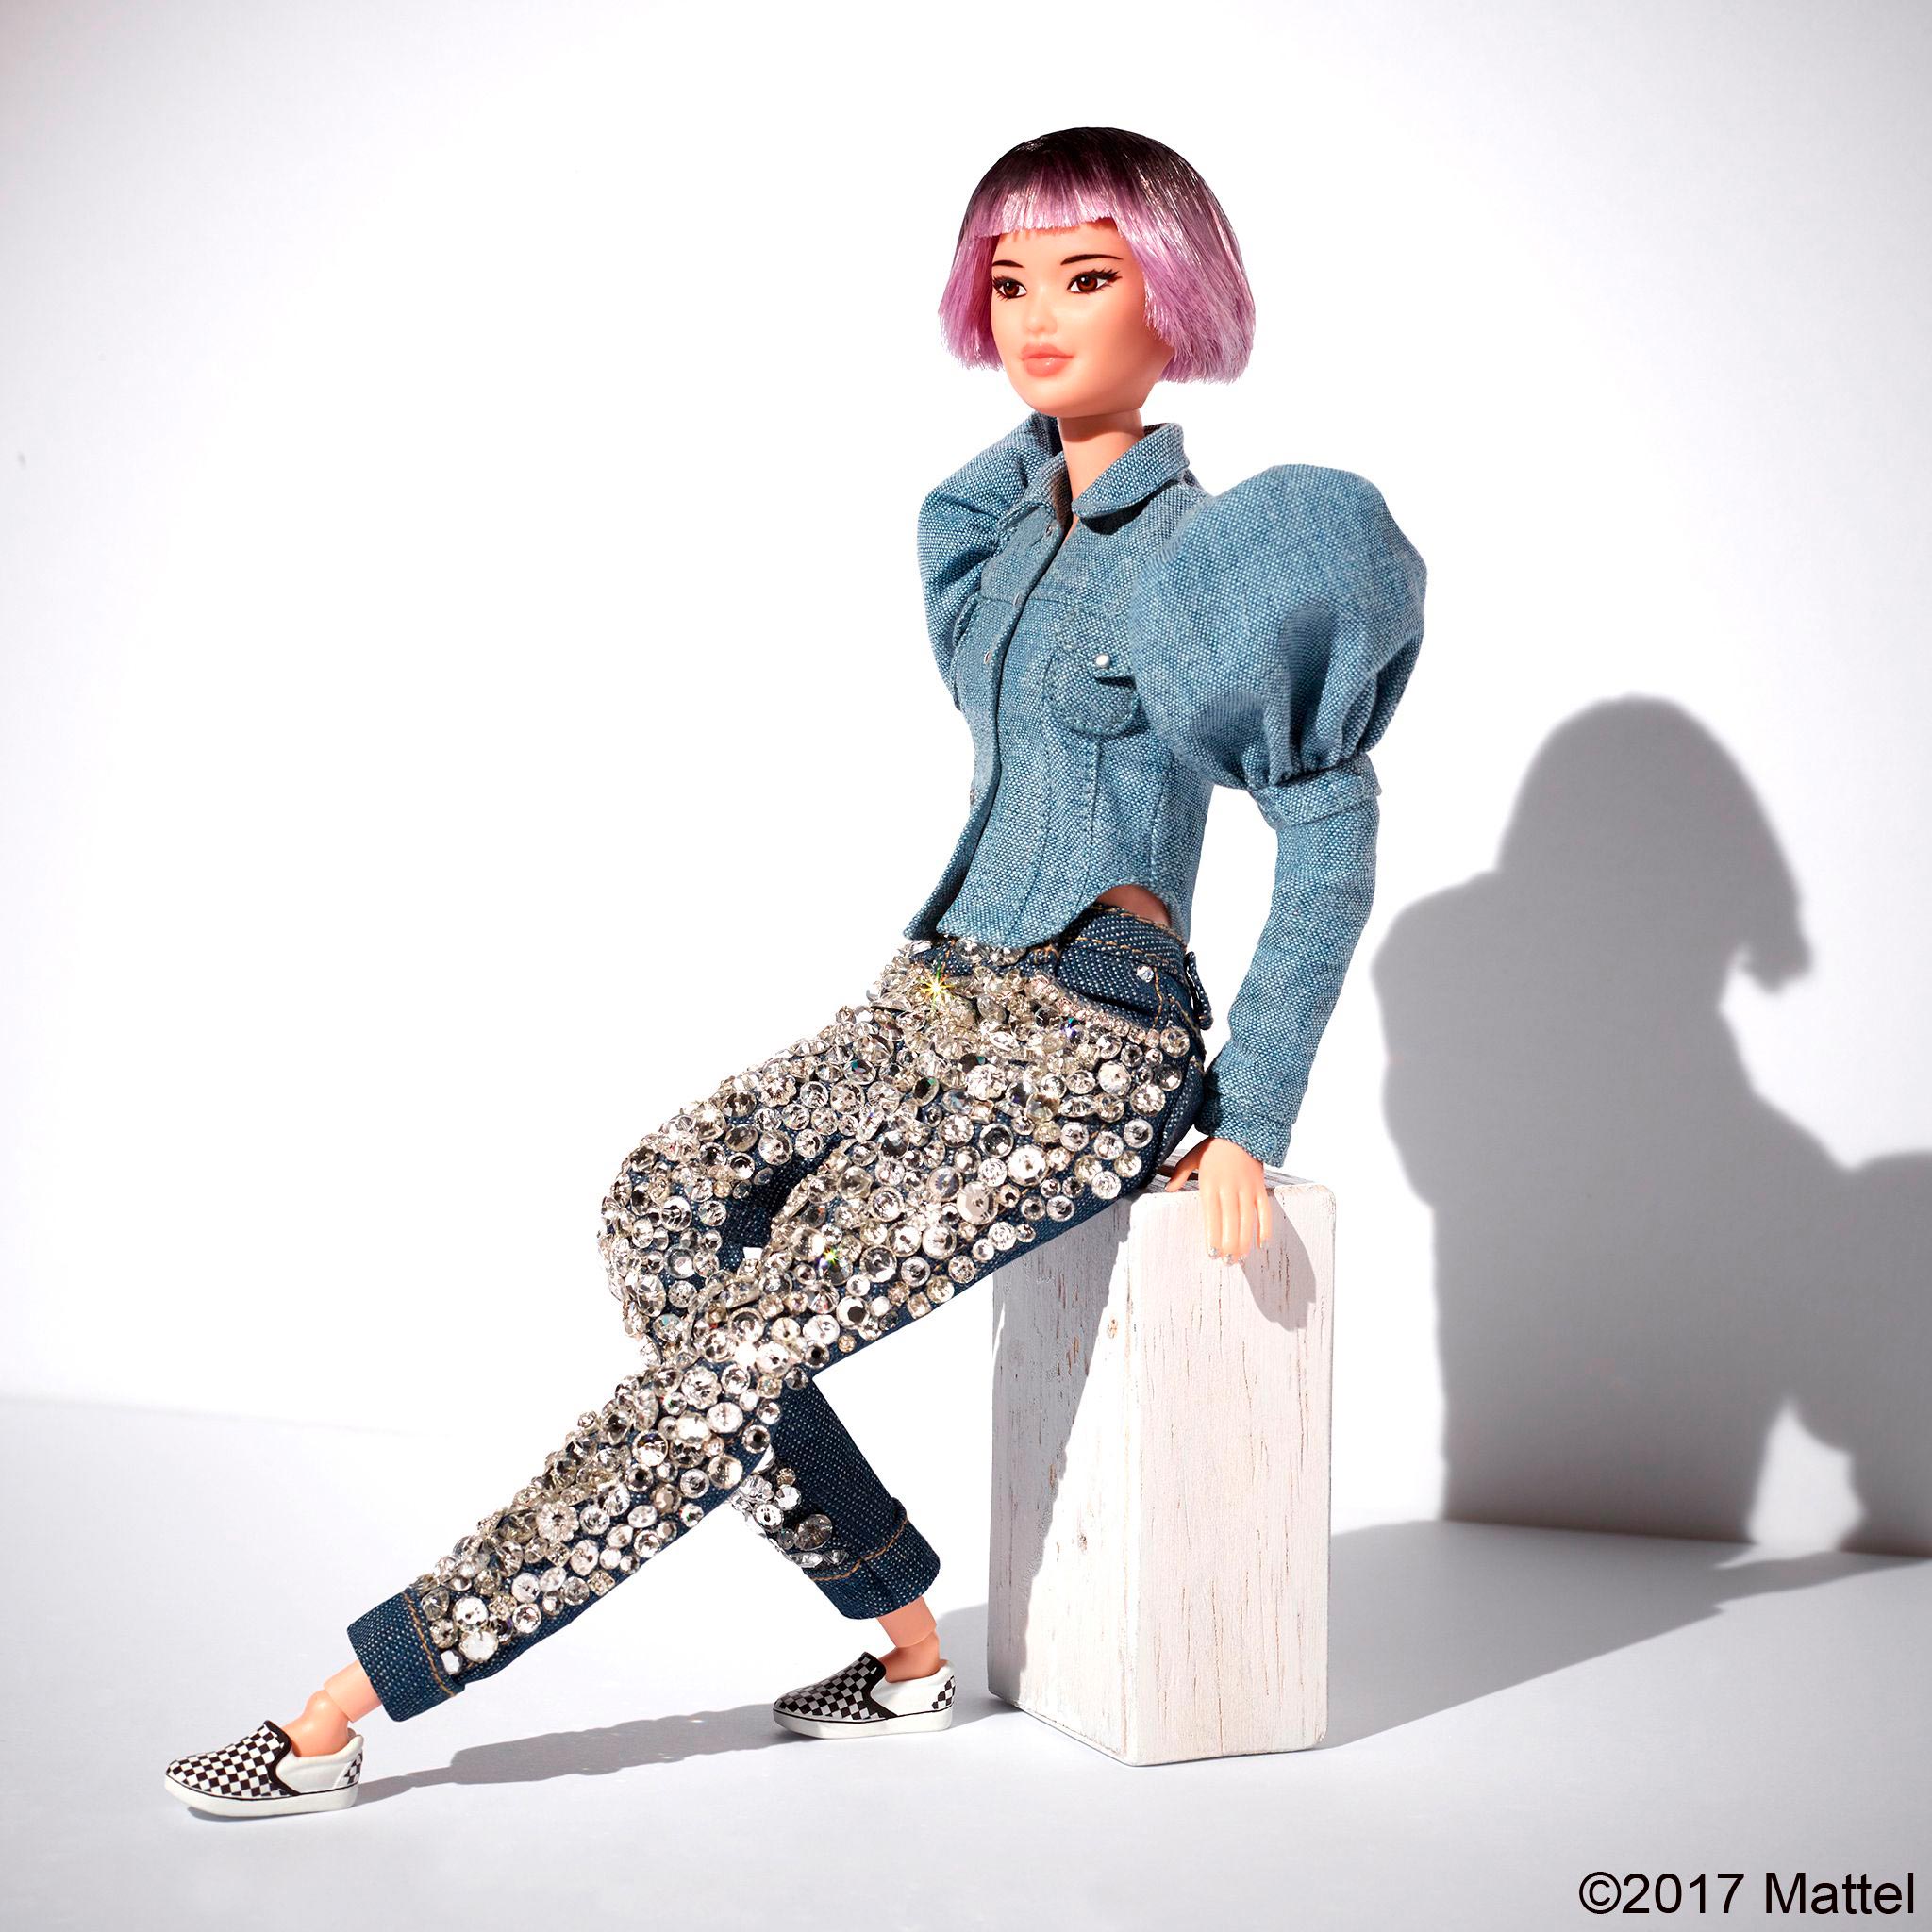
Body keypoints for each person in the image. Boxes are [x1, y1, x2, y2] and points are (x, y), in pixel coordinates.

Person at [162, 124, 1426, 1815]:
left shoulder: (1218, 556)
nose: (1041, 318)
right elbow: (983, 576)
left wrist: (1250, 1115)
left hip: (1089, 1043)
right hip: (929, 997)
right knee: (661, 1205)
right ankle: (906, 1644)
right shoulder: (1004, 530)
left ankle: (347, 1705)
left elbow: (1328, 838)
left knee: (735, 1354)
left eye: (1089, 277)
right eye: (1011, 283)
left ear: (1175, 297)